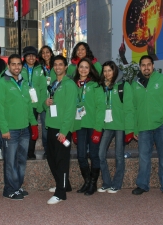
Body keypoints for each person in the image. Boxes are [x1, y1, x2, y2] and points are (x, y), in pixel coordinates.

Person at [131, 55, 163, 198]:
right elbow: (133, 108)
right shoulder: (135, 84)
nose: (146, 67)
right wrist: (135, 128)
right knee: (143, 158)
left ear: (153, 66)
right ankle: (142, 185)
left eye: (148, 64)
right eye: (143, 65)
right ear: (140, 67)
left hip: (162, 126)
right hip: (144, 127)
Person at [0, 54, 38, 200]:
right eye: (13, 64)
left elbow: (28, 106)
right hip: (10, 130)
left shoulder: (24, 83)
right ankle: (10, 189)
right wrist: (4, 128)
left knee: (21, 161)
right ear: (9, 66)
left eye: (19, 64)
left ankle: (16, 187)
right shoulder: (2, 83)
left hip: (24, 129)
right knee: (10, 161)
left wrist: (33, 124)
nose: (17, 67)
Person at [44, 55, 78, 204]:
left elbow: (71, 110)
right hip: (51, 125)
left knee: (61, 160)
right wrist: (46, 103)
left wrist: (64, 130)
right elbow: (49, 105)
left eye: (60, 64)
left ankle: (61, 193)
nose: (57, 67)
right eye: (55, 65)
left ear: (65, 67)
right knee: (52, 158)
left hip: (62, 129)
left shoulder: (69, 84)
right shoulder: (53, 84)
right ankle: (64, 184)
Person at [97, 61, 134, 194]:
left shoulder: (123, 86)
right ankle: (106, 182)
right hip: (107, 125)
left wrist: (129, 130)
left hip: (120, 126)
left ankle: (117, 184)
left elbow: (129, 109)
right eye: (105, 71)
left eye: (109, 70)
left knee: (119, 155)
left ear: (115, 71)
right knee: (100, 153)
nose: (107, 74)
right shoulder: (101, 87)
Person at [72, 58, 106, 196]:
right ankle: (87, 181)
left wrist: (98, 129)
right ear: (78, 68)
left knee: (93, 155)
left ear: (90, 69)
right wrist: (73, 128)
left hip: (93, 125)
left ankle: (93, 183)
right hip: (79, 125)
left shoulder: (96, 86)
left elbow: (101, 108)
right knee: (81, 155)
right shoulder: (73, 85)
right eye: (81, 67)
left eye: (86, 67)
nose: (83, 69)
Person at [21, 46, 46, 160]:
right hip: (23, 104)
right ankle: (22, 151)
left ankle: (30, 152)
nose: (31, 57)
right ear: (24, 57)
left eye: (33, 55)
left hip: (35, 105)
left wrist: (41, 105)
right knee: (23, 129)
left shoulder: (40, 69)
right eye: (28, 55)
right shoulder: (20, 68)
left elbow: (43, 88)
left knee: (33, 129)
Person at [38, 45, 56, 159]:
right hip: (45, 102)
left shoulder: (56, 66)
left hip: (55, 103)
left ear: (51, 53)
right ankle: (46, 148)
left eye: (47, 52)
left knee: (55, 126)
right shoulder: (39, 68)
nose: (45, 54)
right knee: (45, 128)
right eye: (43, 52)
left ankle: (55, 147)